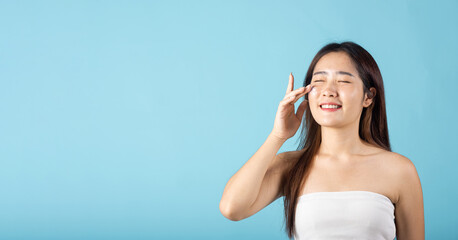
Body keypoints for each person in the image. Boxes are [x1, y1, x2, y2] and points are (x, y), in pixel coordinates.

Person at [219, 41, 424, 240]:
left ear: (368, 97)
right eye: (318, 81)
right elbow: (232, 208)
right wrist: (278, 136)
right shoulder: (291, 166)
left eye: (343, 81)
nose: (328, 91)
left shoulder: (399, 170)